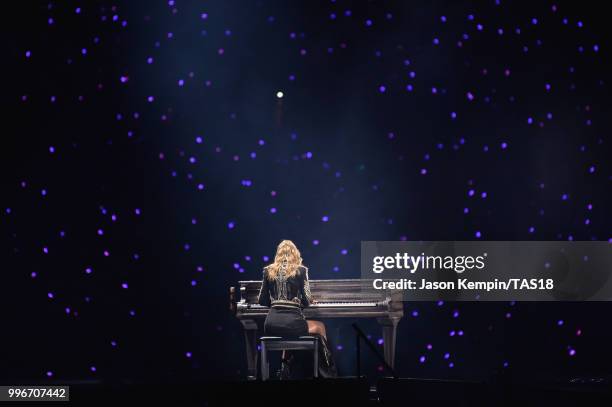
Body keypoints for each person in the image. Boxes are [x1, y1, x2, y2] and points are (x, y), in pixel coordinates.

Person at [257, 240, 337, 378]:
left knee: (287, 330)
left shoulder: (267, 270)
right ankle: (328, 372)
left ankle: (284, 365)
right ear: (295, 253)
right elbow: (307, 301)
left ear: (278, 253)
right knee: (319, 326)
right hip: (293, 324)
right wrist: (296, 301)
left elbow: (261, 300)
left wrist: (277, 302)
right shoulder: (301, 270)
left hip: (271, 324)